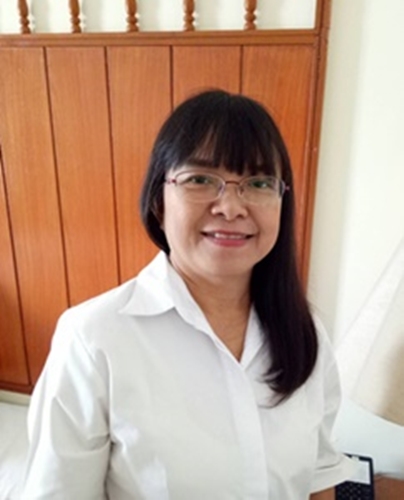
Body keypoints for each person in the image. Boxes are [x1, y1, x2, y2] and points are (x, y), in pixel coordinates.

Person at [22, 90, 353, 499]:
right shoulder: (93, 338)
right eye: (200, 179)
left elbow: (319, 475)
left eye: (258, 183)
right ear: (158, 202)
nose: (231, 207)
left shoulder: (306, 331)